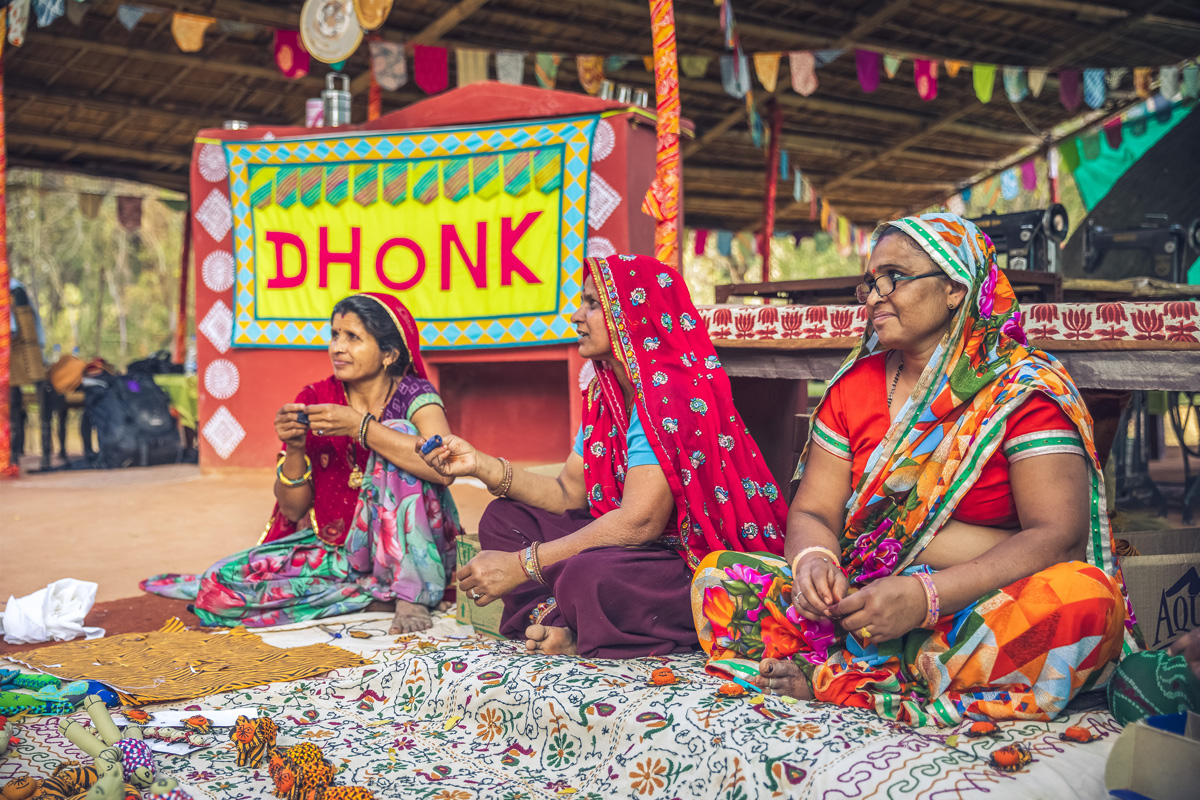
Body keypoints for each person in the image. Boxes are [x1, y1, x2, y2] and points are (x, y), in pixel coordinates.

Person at [692, 213, 1136, 727]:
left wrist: (925, 597)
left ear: (954, 288)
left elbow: (1058, 539)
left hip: (979, 603)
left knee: (1081, 602)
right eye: (870, 282)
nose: (875, 295)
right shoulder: (853, 388)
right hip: (861, 600)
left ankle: (852, 681)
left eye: (894, 278)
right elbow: (814, 509)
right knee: (719, 581)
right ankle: (892, 672)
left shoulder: (1022, 391)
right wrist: (815, 562)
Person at [417, 253, 788, 658]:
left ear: (634, 315)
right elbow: (567, 493)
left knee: (591, 575)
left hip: (685, 557)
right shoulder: (606, 393)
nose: (577, 316)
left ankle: (571, 623)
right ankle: (561, 620)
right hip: (629, 545)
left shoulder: (669, 395)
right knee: (504, 518)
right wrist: (480, 465)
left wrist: (523, 566)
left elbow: (639, 522)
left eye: (593, 303)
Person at [143, 293, 460, 634]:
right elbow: (293, 511)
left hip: (411, 554)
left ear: (389, 354)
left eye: (353, 337)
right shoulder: (315, 399)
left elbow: (443, 466)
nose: (337, 347)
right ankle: (373, 597)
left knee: (401, 435)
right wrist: (294, 449)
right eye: (335, 335)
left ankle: (410, 594)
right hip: (339, 553)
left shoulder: (415, 394)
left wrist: (360, 428)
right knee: (218, 588)